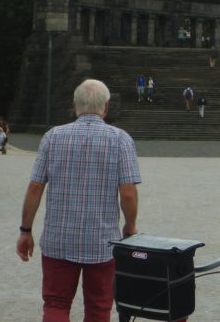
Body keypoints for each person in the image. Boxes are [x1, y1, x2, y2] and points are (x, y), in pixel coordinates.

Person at [16, 79, 140, 322]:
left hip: (58, 239)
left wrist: (25, 229)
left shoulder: (53, 137)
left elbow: (34, 187)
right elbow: (127, 192)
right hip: (102, 241)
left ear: (75, 105)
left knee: (55, 304)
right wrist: (130, 226)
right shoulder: (120, 139)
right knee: (98, 308)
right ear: (106, 107)